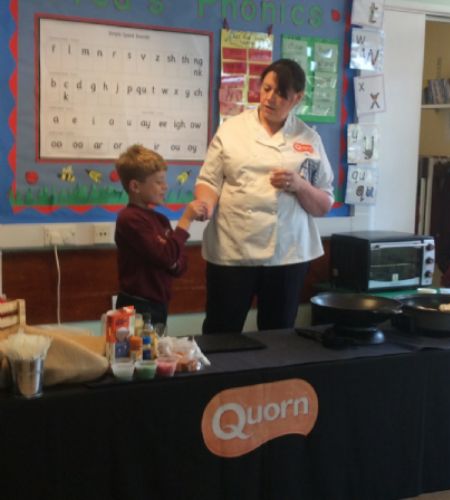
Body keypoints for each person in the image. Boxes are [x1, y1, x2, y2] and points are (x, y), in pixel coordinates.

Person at [195, 58, 334, 334]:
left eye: (280, 93)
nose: (270, 98)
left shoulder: (308, 138)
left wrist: (300, 185)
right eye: (266, 89)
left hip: (287, 253)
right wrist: (205, 205)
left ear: (297, 98)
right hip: (232, 248)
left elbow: (324, 204)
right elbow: (209, 181)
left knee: (278, 336)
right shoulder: (232, 130)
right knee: (221, 332)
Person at [114, 144, 207, 325]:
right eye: (158, 182)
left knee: (157, 343)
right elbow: (167, 256)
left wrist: (171, 259)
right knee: (138, 345)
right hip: (136, 306)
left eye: (164, 181)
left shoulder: (161, 220)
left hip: (158, 304)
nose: (165, 187)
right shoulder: (129, 219)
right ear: (135, 186)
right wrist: (186, 219)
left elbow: (179, 261)